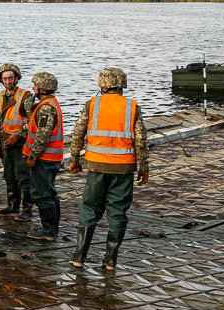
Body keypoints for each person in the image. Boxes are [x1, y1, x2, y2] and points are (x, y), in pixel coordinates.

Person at [67, 67, 150, 271]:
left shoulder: (92, 105)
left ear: (101, 85)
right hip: (123, 168)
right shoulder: (132, 106)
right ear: (122, 85)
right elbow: (141, 140)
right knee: (118, 211)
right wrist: (143, 167)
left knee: (89, 209)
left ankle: (79, 256)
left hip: (96, 165)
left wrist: (75, 159)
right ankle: (110, 261)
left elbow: (77, 133)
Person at [22, 71, 63, 242]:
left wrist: (33, 155)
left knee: (41, 194)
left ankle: (49, 231)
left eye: (35, 85)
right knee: (50, 193)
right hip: (51, 158)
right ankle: (52, 227)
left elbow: (43, 134)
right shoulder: (50, 104)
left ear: (42, 88)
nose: (33, 88)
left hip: (45, 159)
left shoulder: (46, 107)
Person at [0, 63, 34, 220]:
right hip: (6, 144)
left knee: (23, 177)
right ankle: (12, 206)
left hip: (21, 143)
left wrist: (18, 134)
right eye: (5, 79)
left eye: (10, 78)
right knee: (9, 175)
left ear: (16, 78)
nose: (8, 81)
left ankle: (27, 209)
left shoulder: (26, 97)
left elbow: (32, 122)